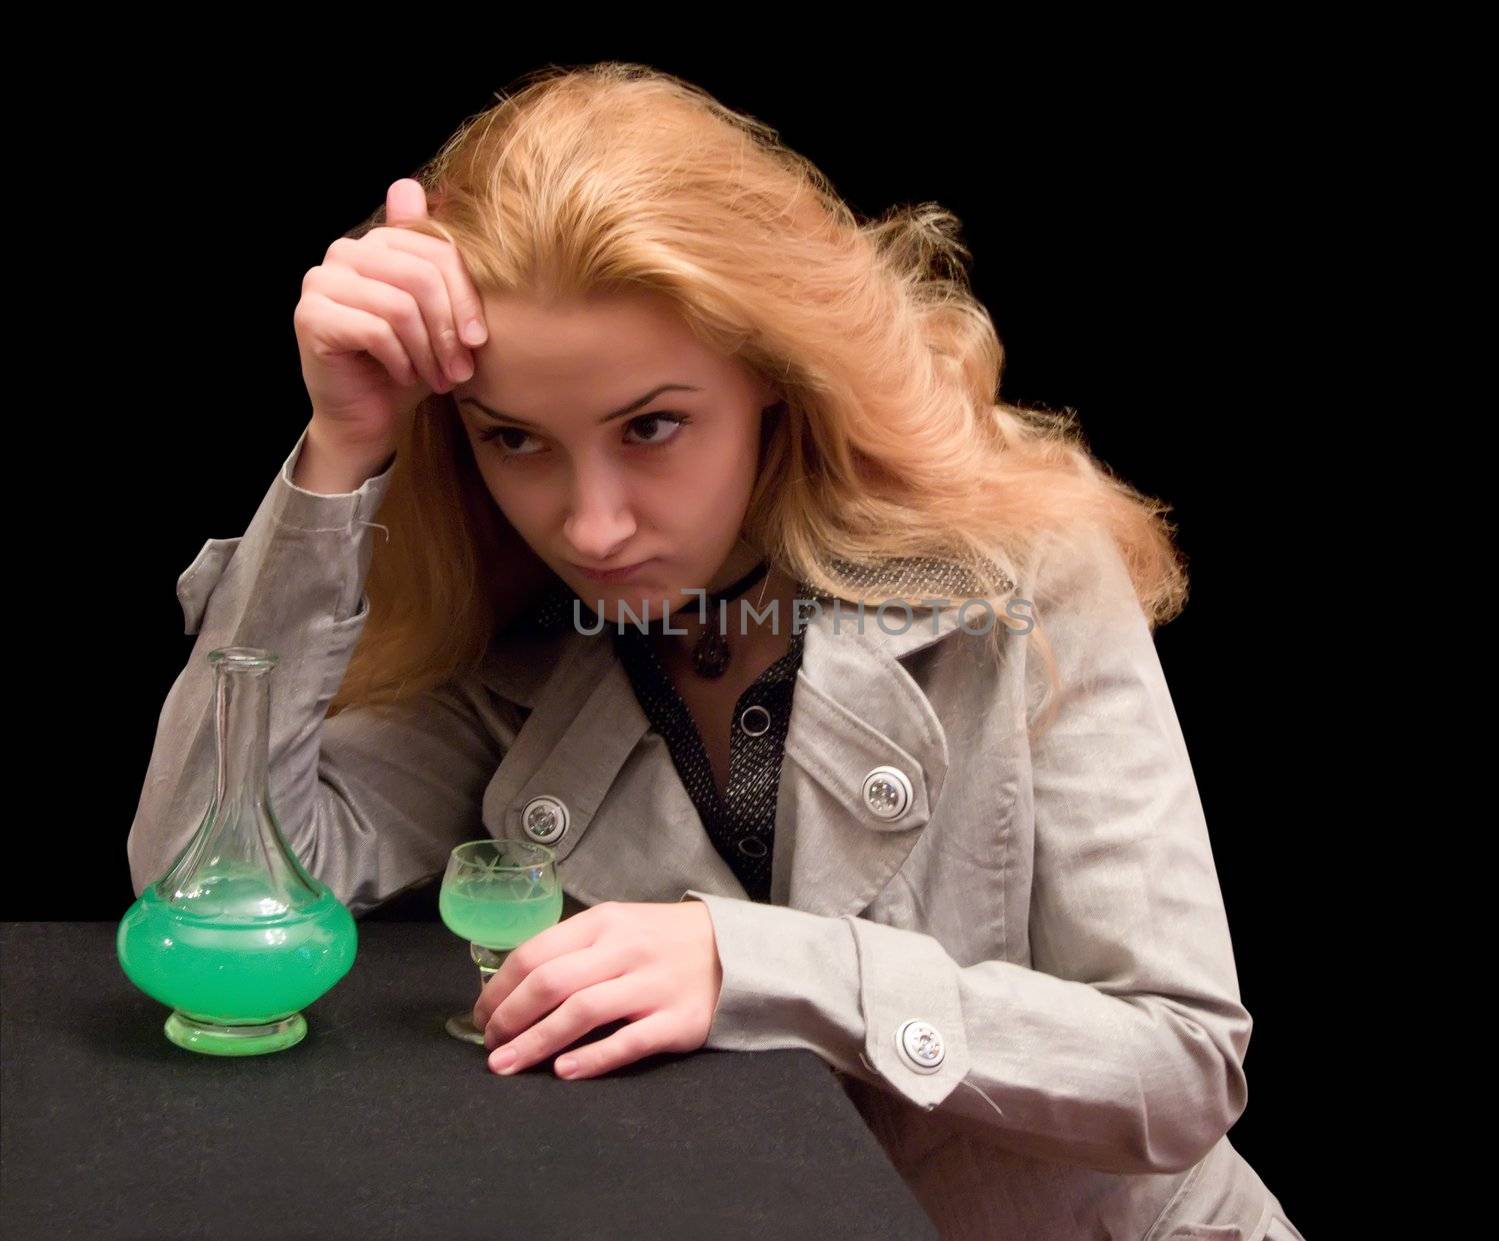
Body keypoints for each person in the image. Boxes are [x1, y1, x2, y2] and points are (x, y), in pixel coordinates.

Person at [128, 62, 1304, 1240]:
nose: (589, 525)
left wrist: (751, 965)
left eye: (652, 426)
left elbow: (1181, 1069)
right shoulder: (519, 648)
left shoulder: (1018, 580)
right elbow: (210, 880)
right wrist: (341, 444)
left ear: (775, 381)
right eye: (516, 440)